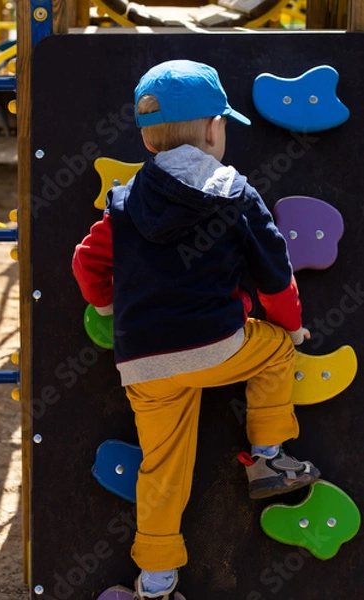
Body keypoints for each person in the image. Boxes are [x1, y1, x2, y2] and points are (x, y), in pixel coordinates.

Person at [72, 59, 320, 600]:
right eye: (224, 124)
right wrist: (292, 327)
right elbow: (275, 273)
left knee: (161, 468)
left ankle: (156, 581)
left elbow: (87, 262)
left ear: (146, 135)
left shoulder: (125, 200)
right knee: (277, 350)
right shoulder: (235, 193)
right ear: (213, 129)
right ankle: (269, 456)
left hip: (143, 363)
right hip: (219, 346)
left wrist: (111, 304)